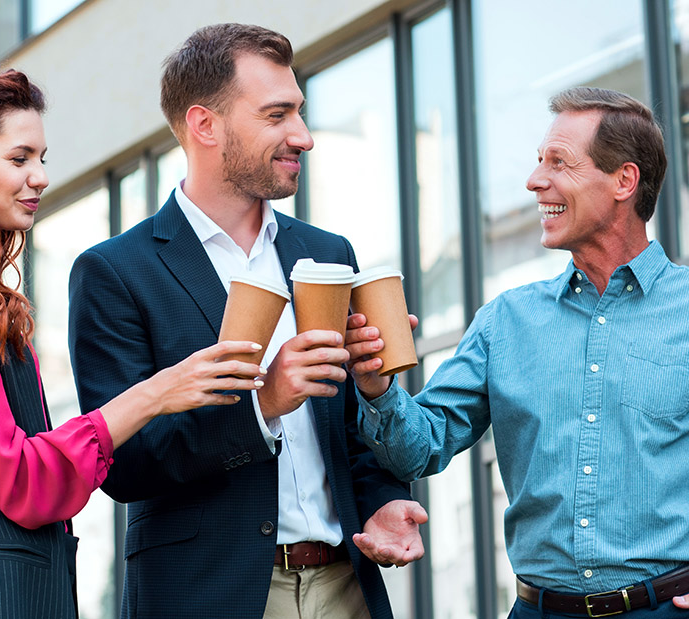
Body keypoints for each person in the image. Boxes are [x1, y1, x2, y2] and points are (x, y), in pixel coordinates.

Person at [346, 87, 689, 619]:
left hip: (678, 609)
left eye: (559, 162)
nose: (535, 181)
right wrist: (377, 387)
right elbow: (421, 447)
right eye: (538, 162)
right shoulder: (505, 322)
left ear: (624, 180)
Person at [0, 66, 268, 619]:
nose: (39, 176)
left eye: (42, 159)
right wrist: (157, 392)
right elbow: (21, 480)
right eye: (18, 159)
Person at [68, 23, 426, 619]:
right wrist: (264, 404)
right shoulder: (115, 273)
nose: (303, 137)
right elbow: (123, 463)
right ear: (205, 124)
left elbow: (352, 429)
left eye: (300, 113)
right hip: (208, 595)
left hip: (346, 587)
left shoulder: (328, 255)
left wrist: (383, 500)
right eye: (277, 115)